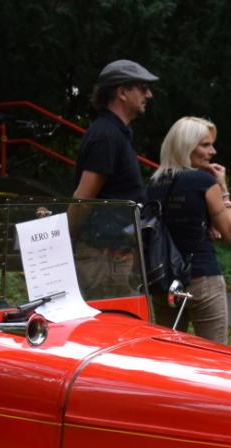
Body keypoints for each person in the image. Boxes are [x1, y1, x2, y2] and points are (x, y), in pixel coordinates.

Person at [71, 59, 158, 298]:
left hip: (114, 255)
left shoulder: (116, 133)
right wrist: (66, 241)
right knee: (110, 319)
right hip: (103, 258)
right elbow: (83, 198)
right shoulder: (106, 136)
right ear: (122, 92)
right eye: (143, 88)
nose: (148, 95)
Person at [145, 117, 231, 342]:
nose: (213, 151)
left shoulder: (155, 183)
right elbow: (229, 231)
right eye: (205, 145)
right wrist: (223, 188)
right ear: (186, 146)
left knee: (168, 352)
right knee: (215, 354)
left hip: (163, 280)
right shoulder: (203, 182)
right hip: (202, 278)